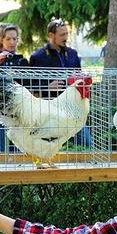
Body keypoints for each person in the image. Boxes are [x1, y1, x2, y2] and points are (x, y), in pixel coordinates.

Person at [29, 18, 90, 148]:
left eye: (66, 34)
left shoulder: (73, 54)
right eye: (62, 35)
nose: (65, 37)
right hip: (49, 112)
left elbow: (79, 78)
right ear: (51, 35)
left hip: (73, 110)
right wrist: (46, 87)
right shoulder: (38, 57)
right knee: (49, 147)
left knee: (86, 144)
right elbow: (31, 88)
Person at [0, 23, 29, 152]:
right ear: (1, 39)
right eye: (8, 39)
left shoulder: (22, 60)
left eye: (14, 39)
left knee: (19, 140)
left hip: (18, 107)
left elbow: (29, 84)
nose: (12, 42)